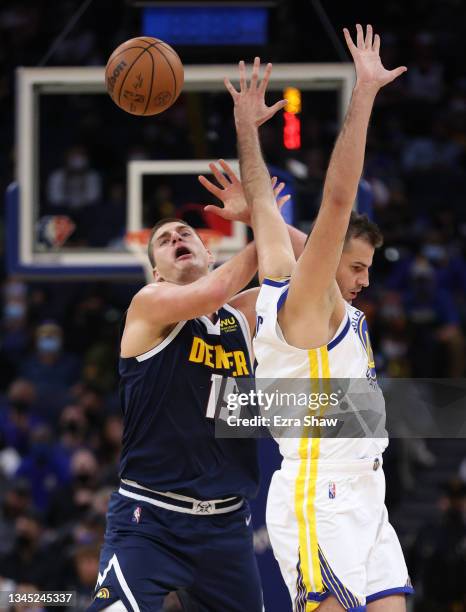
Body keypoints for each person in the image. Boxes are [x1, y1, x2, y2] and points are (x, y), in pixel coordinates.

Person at [227, 25, 413, 611]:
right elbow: (337, 199)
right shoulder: (308, 302)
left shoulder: (289, 272)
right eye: (354, 267)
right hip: (320, 493)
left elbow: (263, 203)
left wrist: (246, 132)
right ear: (330, 263)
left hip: (365, 490)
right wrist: (365, 93)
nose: (363, 281)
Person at [88, 161, 306, 611]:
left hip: (225, 529)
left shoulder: (242, 316)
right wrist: (260, 223)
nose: (176, 240)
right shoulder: (147, 305)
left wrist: (266, 219)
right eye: (164, 241)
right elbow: (210, 294)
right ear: (158, 274)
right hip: (149, 519)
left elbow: (307, 261)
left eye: (185, 234)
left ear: (210, 254)